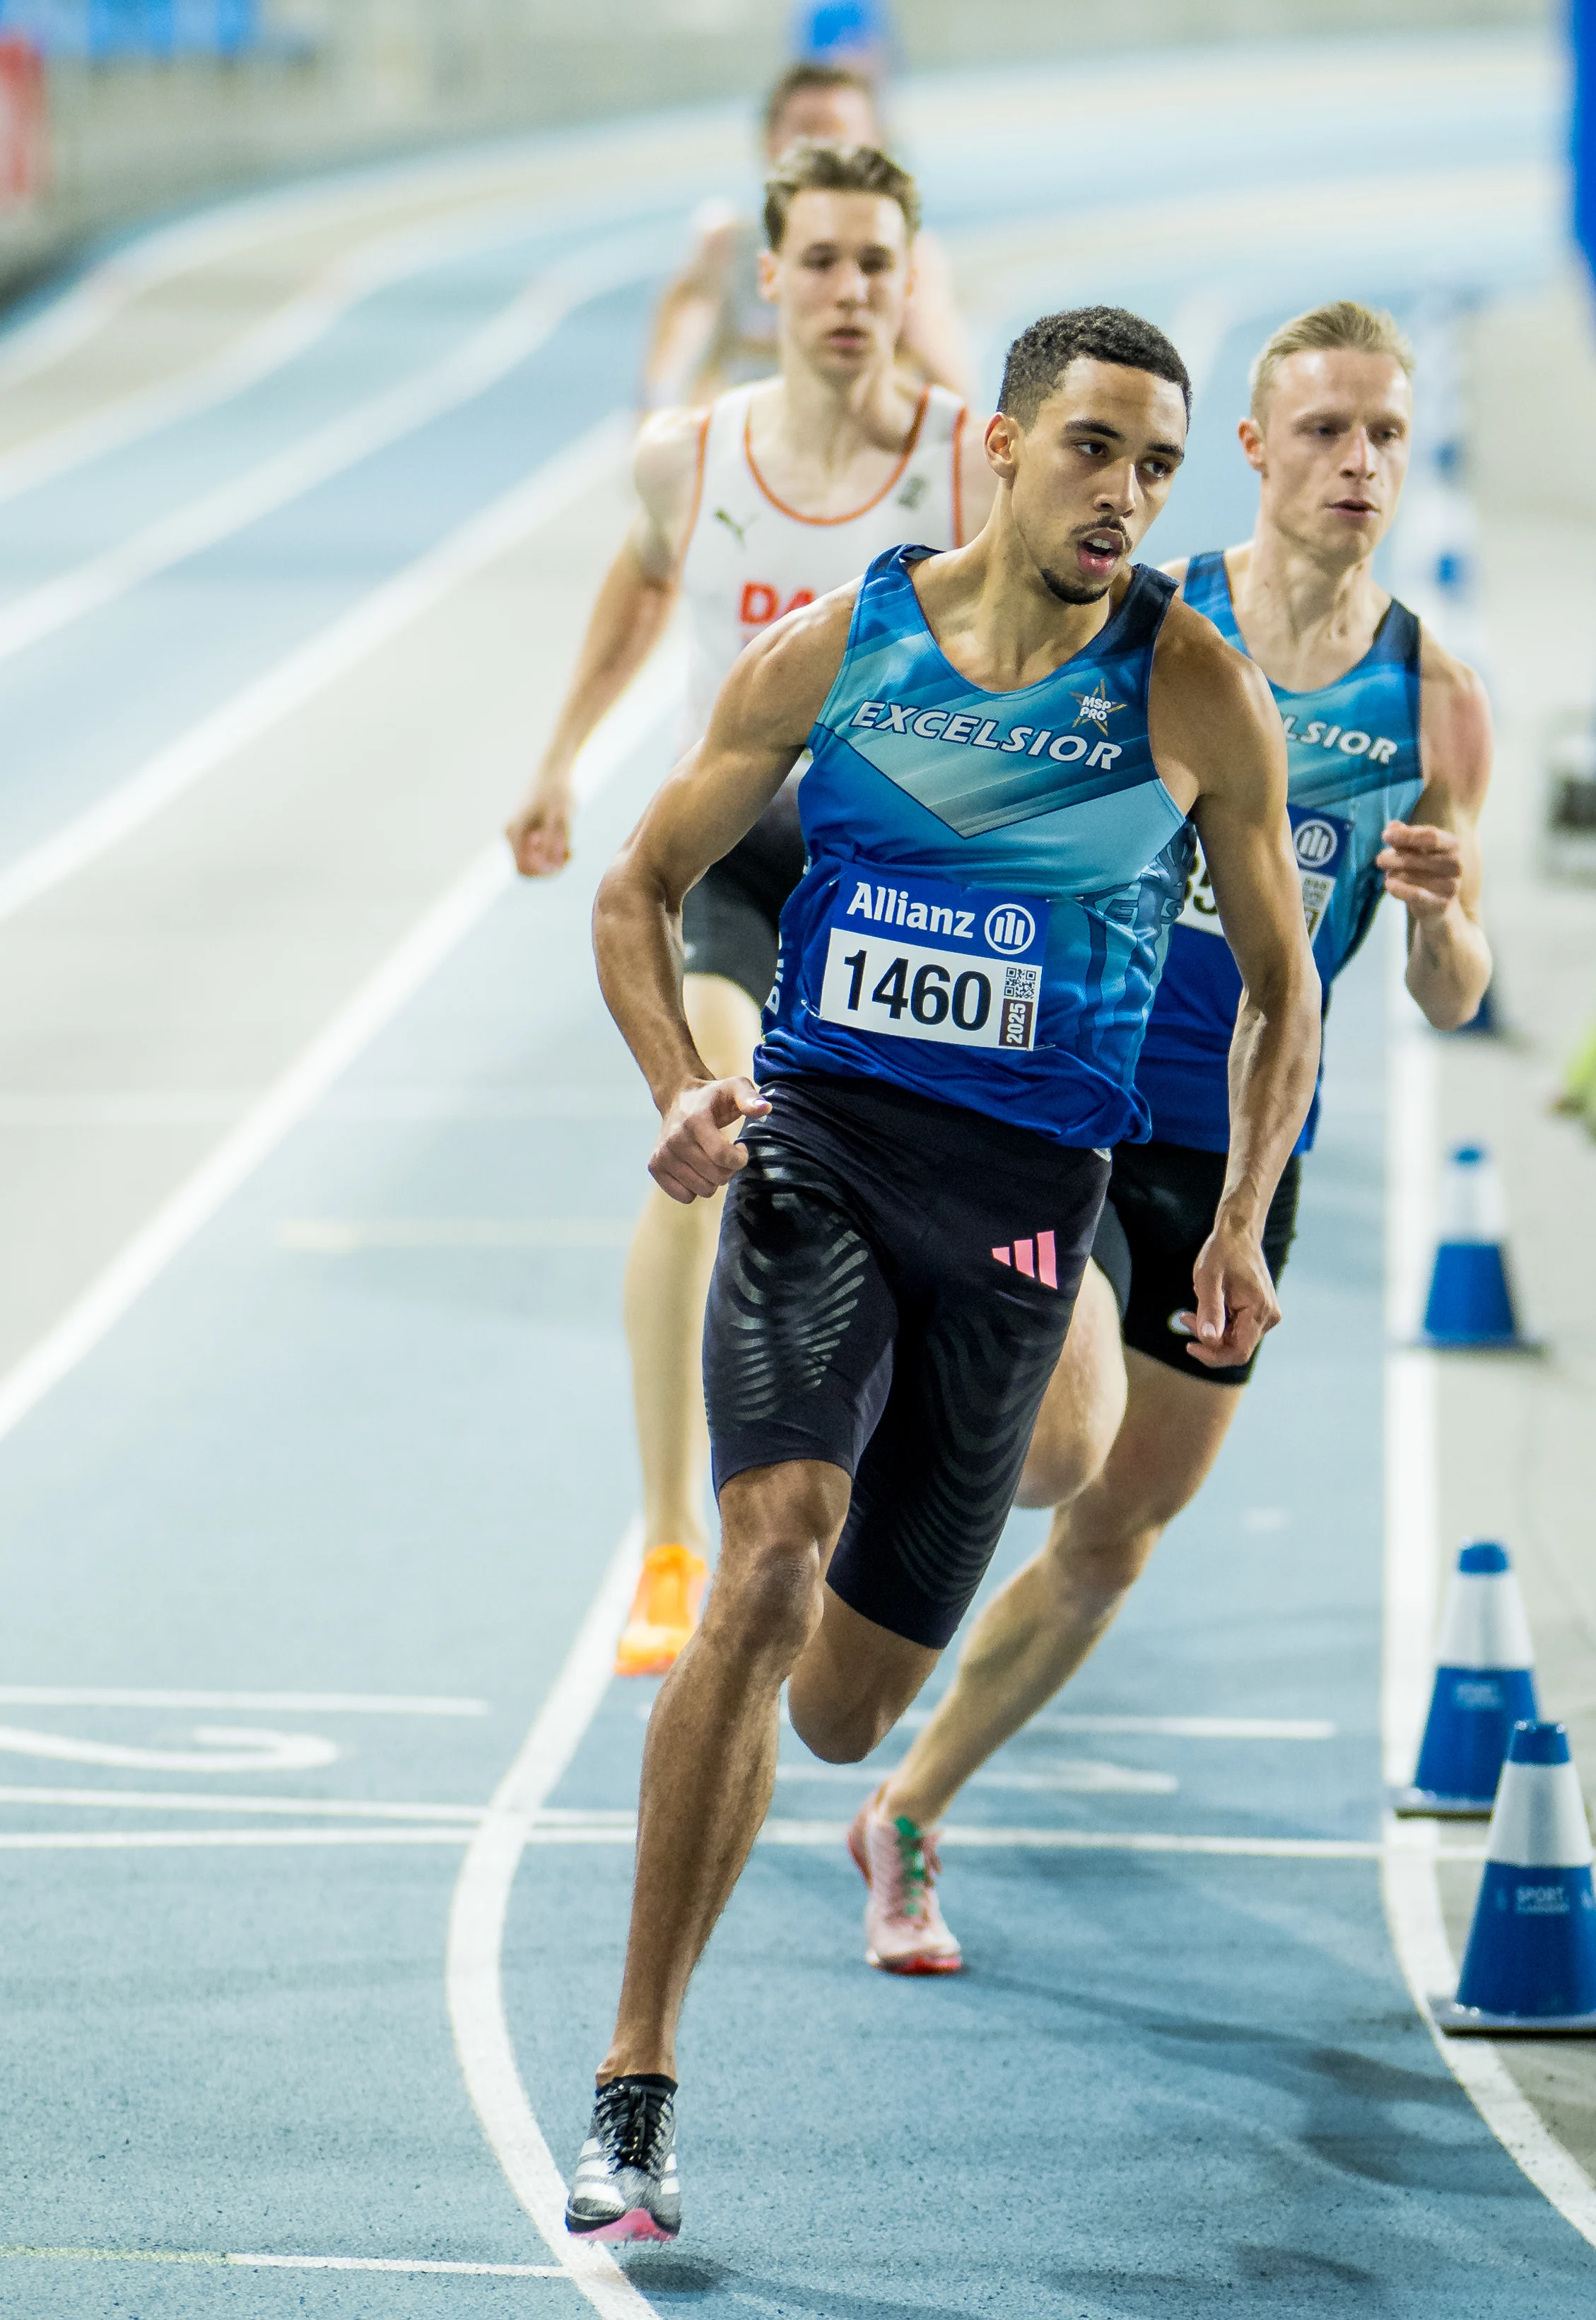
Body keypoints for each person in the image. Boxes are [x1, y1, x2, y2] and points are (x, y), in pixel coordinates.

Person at [563, 305, 1322, 2241]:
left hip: (1017, 1209)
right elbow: (638, 885)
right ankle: (635, 2083)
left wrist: (1231, 1219)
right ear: (996, 446)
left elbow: (1284, 984)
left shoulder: (1190, 690)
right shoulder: (839, 651)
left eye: (1161, 468)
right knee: (768, 1554)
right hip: (820, 1152)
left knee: (831, 1710)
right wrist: (678, 1087)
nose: (1127, 497)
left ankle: (867, 1620)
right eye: (1093, 450)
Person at [854, 298, 1495, 1976]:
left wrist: (1439, 919)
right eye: (1323, 431)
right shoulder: (1154, 634)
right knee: (1048, 1441)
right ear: (1253, 453)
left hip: (1242, 1152)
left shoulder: (1433, 696)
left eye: (1382, 436)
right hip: (1071, 1110)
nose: (1356, 464)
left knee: (1117, 1524)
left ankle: (907, 1810)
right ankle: (843, 1543)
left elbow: (1443, 993)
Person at [507, 142, 993, 1675]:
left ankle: (846, 1483)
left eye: (877, 263)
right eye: (825, 261)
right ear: (769, 279)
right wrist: (560, 756)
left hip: (909, 889)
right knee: (721, 1127)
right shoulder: (690, 457)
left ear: (907, 282)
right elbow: (640, 584)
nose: (851, 290)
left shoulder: (973, 462)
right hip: (734, 855)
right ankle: (669, 1535)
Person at [642, 61, 970, 411]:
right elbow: (667, 372)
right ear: (769, 143)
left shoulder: (907, 254)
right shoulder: (725, 246)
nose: (822, 150)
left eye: (840, 132)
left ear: (877, 145)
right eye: (806, 131)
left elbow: (953, 386)